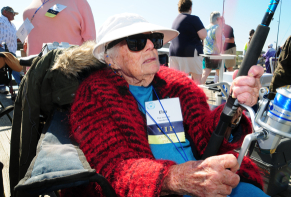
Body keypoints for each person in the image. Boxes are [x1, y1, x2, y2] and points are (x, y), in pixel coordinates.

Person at [59, 13, 268, 197]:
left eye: (154, 39)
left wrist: (234, 107)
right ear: (109, 58)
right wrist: (179, 179)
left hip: (214, 180)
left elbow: (206, 134)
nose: (150, 45)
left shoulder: (176, 82)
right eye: (137, 42)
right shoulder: (94, 95)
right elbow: (114, 169)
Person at [23, 0, 96, 56]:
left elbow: (90, 39)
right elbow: (37, 23)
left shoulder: (78, 0)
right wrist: (26, 39)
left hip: (66, 68)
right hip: (34, 68)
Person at [169, 0, 206, 85]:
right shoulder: (194, 19)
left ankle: (177, 98)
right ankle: (195, 98)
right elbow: (203, 35)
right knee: (196, 83)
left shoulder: (175, 20)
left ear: (179, 8)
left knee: (176, 82)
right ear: (190, 8)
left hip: (174, 54)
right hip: (190, 54)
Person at [0, 6, 22, 93]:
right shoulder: (0, 21)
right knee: (12, 64)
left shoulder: (13, 25)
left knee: (15, 65)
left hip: (11, 51)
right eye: (12, 13)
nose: (14, 15)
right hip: (2, 49)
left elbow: (16, 37)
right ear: (5, 12)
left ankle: (21, 84)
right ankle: (2, 85)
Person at [201, 12, 224, 85]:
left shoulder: (206, 28)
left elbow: (203, 42)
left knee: (205, 73)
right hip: (215, 54)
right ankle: (221, 90)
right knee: (221, 73)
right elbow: (219, 42)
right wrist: (222, 51)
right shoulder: (217, 28)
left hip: (207, 53)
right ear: (217, 19)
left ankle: (197, 90)